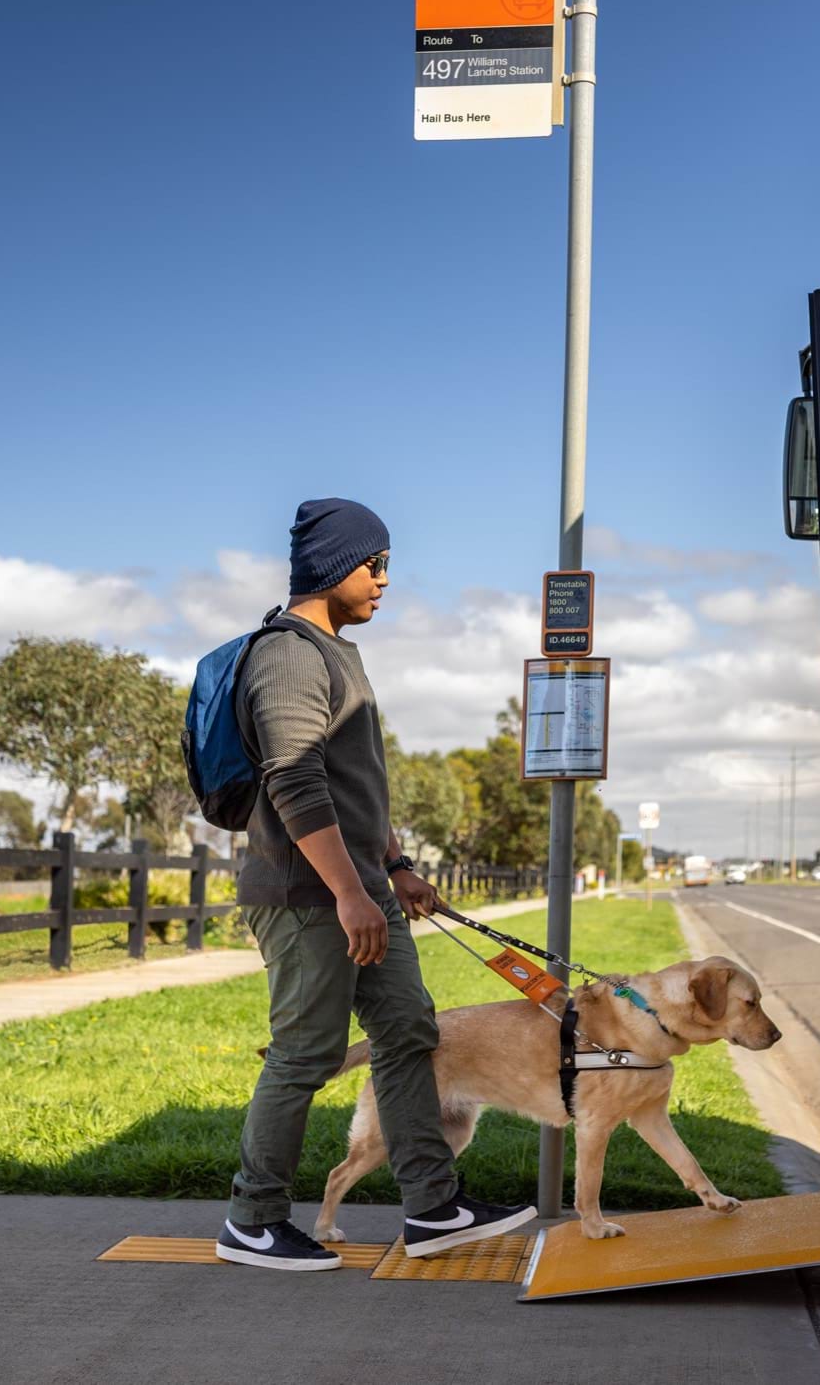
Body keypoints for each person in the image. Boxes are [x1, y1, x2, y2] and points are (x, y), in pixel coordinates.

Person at [216, 497, 535, 1270]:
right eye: (376, 563)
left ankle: (432, 1205)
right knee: (305, 1052)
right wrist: (350, 892)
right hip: (308, 896)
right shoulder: (286, 655)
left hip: (362, 888)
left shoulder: (339, 654)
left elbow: (355, 786)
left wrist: (392, 865)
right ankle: (252, 1219)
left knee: (409, 1032)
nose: (386, 579)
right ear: (332, 567)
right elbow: (295, 780)